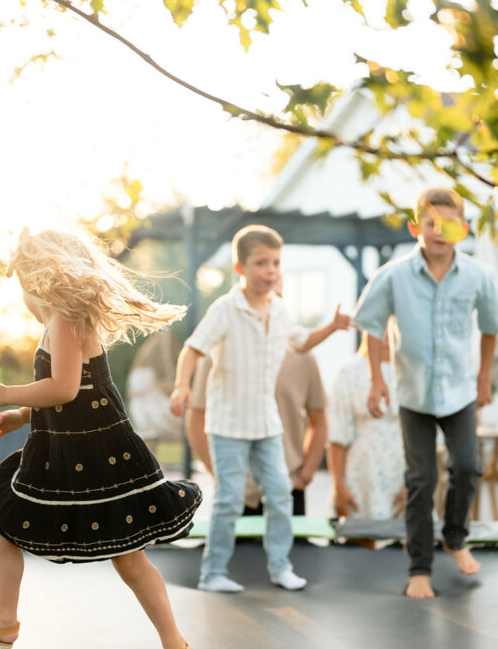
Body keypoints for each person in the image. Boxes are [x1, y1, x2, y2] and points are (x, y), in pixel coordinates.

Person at [0, 228, 209, 649]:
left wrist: (9, 392)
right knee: (3, 523)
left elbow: (64, 388)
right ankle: (2, 621)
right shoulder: (64, 320)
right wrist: (24, 413)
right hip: (67, 448)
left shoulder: (65, 318)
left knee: (128, 559)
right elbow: (78, 392)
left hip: (97, 453)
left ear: (36, 278)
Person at [169, 224, 351, 593]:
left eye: (276, 263)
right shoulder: (225, 309)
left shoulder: (280, 310)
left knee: (281, 494)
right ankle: (214, 573)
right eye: (261, 263)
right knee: (230, 499)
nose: (270, 271)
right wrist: (181, 385)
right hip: (229, 424)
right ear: (240, 268)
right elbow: (193, 348)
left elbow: (300, 343)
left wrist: (331, 327)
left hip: (266, 424)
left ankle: (281, 566)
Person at [354, 188, 498, 599]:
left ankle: (455, 538)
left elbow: (492, 327)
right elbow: (369, 323)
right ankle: (419, 568)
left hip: (460, 393)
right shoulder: (392, 276)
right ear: (414, 227)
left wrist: (484, 377)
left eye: (448, 223)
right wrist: (377, 378)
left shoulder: (480, 276)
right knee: (421, 479)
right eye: (430, 223)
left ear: (465, 228)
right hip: (414, 395)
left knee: (468, 468)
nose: (439, 231)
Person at [187, 348, 328, 515]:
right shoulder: (216, 354)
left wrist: (305, 476)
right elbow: (196, 418)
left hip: (289, 488)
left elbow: (319, 421)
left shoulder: (303, 357)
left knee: (289, 542)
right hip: (234, 491)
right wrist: (219, 474)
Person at [327, 330, 405, 522]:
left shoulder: (410, 372)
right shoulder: (349, 371)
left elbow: (427, 437)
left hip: (401, 478)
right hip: (360, 478)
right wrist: (339, 486)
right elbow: (338, 434)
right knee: (360, 541)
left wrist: (415, 487)